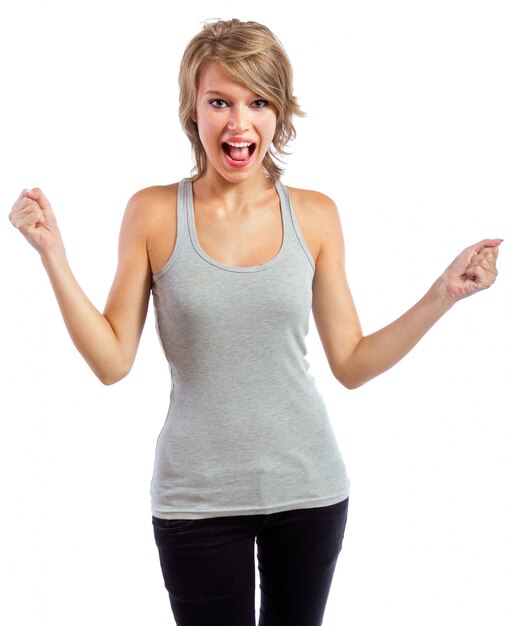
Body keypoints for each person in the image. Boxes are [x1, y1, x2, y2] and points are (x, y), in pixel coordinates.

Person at [9, 17, 501, 626]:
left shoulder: (316, 217)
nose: (239, 124)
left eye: (258, 102)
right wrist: (53, 255)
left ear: (279, 113)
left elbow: (350, 363)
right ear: (194, 111)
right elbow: (112, 362)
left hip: (309, 488)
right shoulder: (155, 213)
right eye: (220, 101)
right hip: (196, 498)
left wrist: (442, 294)